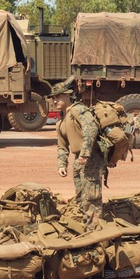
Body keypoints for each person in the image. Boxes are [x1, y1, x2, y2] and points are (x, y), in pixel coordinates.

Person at [51, 77, 105, 209]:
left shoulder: (78, 109)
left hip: (90, 159)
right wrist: (62, 164)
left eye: (58, 96)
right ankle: (86, 226)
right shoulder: (61, 120)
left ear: (67, 95)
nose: (54, 100)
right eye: (53, 98)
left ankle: (95, 227)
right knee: (81, 198)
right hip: (78, 160)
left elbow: (91, 129)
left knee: (92, 199)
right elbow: (62, 145)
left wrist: (85, 154)